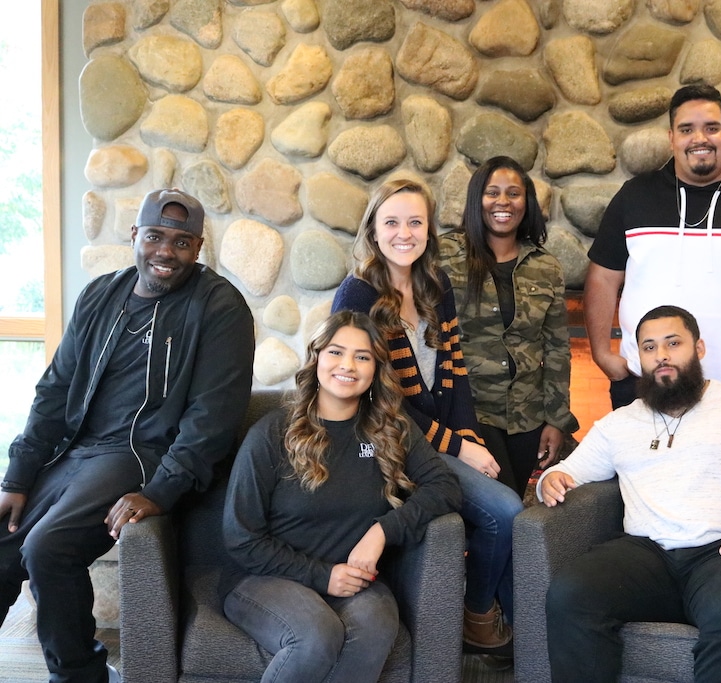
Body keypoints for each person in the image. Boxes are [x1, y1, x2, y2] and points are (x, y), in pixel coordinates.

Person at [0, 188, 255, 683]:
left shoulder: (220, 307)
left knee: (49, 546)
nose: (166, 252)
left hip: (139, 456)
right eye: (155, 237)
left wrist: (161, 491)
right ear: (135, 235)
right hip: (74, 451)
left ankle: (81, 676)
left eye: (182, 242)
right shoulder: (100, 294)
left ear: (198, 248)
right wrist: (18, 475)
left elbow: (213, 417)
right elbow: (54, 391)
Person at [540, 305, 721, 683]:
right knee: (570, 595)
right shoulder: (620, 423)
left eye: (673, 343)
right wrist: (552, 477)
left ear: (700, 349)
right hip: (647, 555)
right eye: (649, 347)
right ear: (638, 357)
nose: (661, 355)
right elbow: (568, 469)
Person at [331, 178, 523, 657]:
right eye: (391, 222)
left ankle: (491, 612)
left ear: (429, 231)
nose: (404, 233)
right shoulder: (358, 297)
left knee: (510, 492)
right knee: (504, 513)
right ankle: (476, 615)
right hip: (386, 442)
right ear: (373, 231)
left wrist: (469, 438)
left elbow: (454, 376)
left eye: (415, 222)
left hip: (436, 438)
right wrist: (460, 448)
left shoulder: (436, 288)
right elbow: (382, 399)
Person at [221, 310, 461, 683]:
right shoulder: (272, 433)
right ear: (317, 357)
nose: (347, 365)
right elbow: (241, 537)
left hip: (356, 580)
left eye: (362, 357)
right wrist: (321, 575)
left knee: (377, 626)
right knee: (316, 636)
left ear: (375, 368)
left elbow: (444, 486)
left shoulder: (391, 427)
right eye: (335, 352)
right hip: (265, 577)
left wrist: (381, 532)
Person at [585, 82, 721, 409]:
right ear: (671, 138)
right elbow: (604, 277)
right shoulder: (635, 196)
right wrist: (601, 353)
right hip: (645, 384)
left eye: (711, 128)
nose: (699, 139)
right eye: (686, 129)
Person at [438, 156, 579, 499]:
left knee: (516, 503)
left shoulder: (545, 267)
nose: (503, 202)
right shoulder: (444, 255)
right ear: (477, 200)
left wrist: (556, 419)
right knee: (502, 507)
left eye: (513, 193)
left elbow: (557, 348)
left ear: (526, 202)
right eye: (492, 193)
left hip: (527, 416)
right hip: (468, 411)